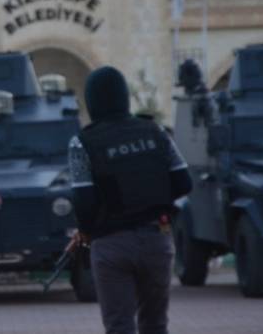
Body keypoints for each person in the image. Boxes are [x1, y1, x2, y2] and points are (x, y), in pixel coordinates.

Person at [68, 66, 193, 334]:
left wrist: (85, 231)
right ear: (125, 96)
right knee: (156, 325)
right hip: (157, 239)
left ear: (91, 101)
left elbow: (83, 201)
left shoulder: (82, 142)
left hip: (111, 246)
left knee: (119, 326)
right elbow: (184, 182)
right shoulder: (155, 131)